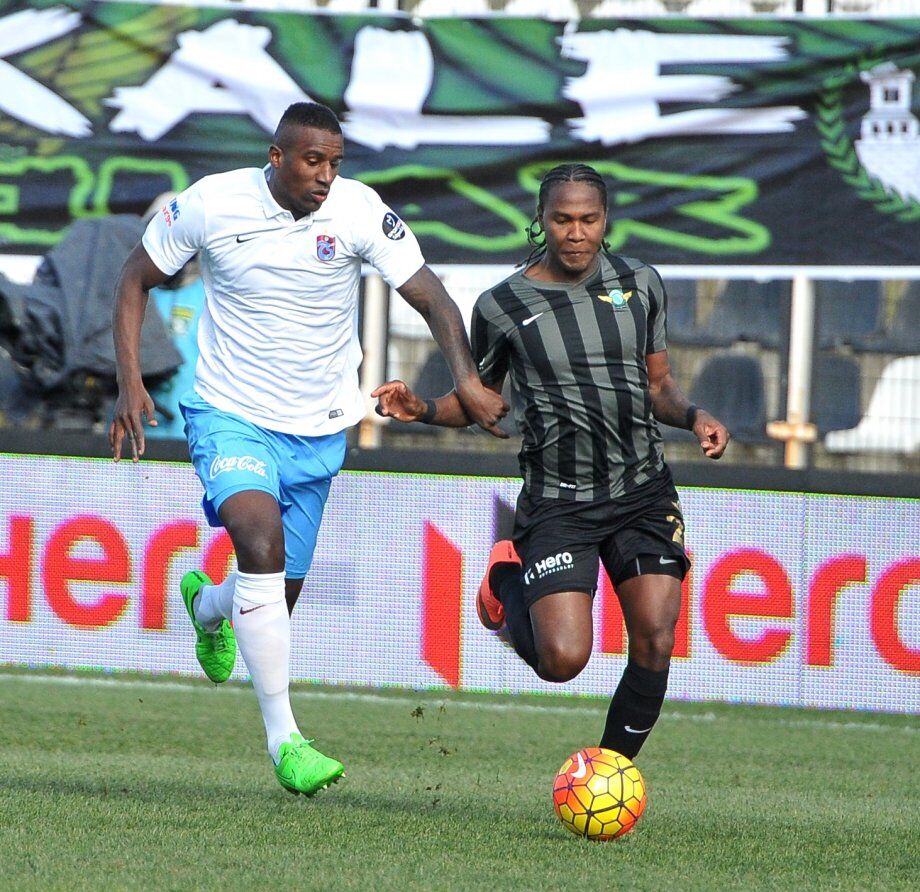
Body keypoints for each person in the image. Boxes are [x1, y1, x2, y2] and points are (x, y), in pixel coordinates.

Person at [109, 102, 507, 797]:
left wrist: (467, 382)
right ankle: (286, 742)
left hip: (319, 426)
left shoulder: (358, 210)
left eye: (335, 162)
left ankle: (208, 607)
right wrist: (129, 381)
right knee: (259, 544)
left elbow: (433, 297)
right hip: (229, 413)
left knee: (274, 590)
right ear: (277, 157)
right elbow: (134, 279)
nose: (326, 175)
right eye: (313, 160)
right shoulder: (210, 204)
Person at [374, 163, 730, 763]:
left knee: (655, 637)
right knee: (561, 660)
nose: (576, 232)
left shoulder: (640, 283)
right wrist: (424, 408)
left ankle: (608, 775)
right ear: (541, 220)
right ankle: (503, 581)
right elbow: (480, 402)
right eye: (562, 219)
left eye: (588, 219)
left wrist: (695, 416)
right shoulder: (503, 305)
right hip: (559, 502)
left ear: (605, 219)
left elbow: (659, 387)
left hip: (642, 491)